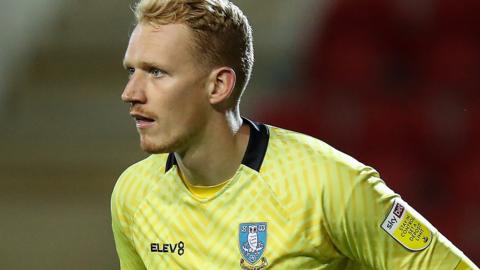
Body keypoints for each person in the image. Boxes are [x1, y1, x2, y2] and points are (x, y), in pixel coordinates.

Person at [111, 0, 479, 269]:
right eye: (132, 71)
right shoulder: (133, 194)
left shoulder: (330, 184)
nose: (132, 93)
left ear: (218, 85)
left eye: (157, 72)